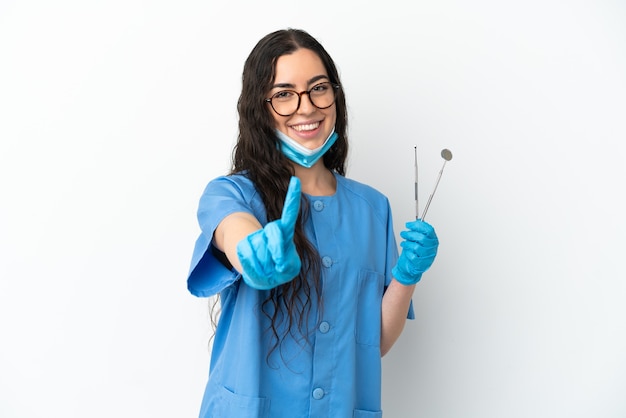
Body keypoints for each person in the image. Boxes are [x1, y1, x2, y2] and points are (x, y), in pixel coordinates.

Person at [186, 28, 439, 418]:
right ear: (260, 108)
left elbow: (376, 343)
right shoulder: (232, 195)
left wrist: (407, 276)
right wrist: (249, 251)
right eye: (284, 94)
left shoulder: (372, 209)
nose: (306, 107)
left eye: (318, 88)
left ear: (335, 96)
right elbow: (233, 229)